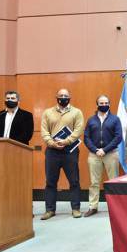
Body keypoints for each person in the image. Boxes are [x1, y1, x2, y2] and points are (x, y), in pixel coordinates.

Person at [40, 88, 84, 220]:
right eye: (61, 95)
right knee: (50, 182)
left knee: (74, 181)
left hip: (70, 150)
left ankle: (75, 209)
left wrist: (66, 141)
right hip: (52, 151)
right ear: (56, 97)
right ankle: (50, 210)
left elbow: (79, 129)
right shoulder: (48, 112)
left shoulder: (77, 112)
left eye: (66, 95)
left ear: (69, 97)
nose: (63, 97)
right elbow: (44, 131)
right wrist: (52, 143)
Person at [83, 95, 122, 217]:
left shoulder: (115, 119)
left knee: (113, 181)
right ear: (97, 104)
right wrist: (95, 150)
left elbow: (118, 137)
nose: (103, 105)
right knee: (94, 182)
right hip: (94, 155)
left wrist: (104, 150)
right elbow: (86, 137)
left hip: (111, 154)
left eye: (106, 103)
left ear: (109, 104)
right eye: (101, 103)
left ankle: (115, 207)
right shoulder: (91, 120)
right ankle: (93, 206)